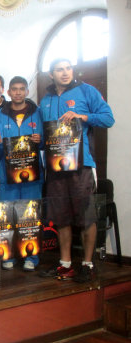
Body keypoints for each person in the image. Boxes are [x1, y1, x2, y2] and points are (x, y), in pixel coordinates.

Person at [39, 58, 115, 282]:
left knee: (86, 216)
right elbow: (47, 136)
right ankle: (65, 265)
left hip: (82, 166)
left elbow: (108, 118)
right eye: (59, 69)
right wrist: (39, 140)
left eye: (68, 68)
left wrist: (83, 116)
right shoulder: (46, 100)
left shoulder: (87, 91)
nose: (65, 73)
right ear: (51, 74)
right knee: (61, 218)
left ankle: (88, 264)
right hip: (56, 169)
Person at [0, 76, 43, 271]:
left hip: (32, 175)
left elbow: (50, 140)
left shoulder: (37, 113)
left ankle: (32, 256)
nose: (18, 93)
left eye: (22, 89)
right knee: (8, 216)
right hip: (7, 176)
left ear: (27, 91)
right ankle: (9, 254)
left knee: (29, 216)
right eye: (14, 89)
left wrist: (42, 139)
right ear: (8, 92)